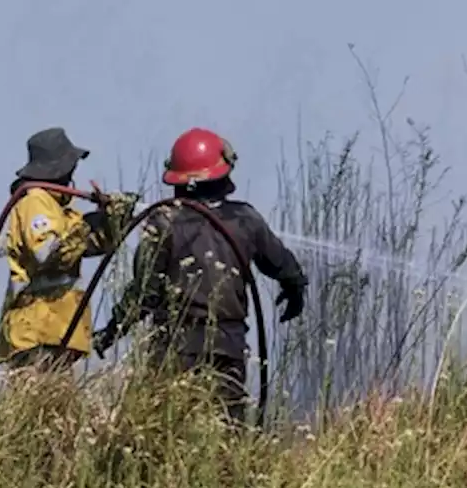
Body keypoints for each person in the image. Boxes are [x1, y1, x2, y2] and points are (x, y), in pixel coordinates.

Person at [93, 127, 307, 426]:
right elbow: (284, 265)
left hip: (174, 349)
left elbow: (144, 295)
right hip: (227, 346)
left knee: (167, 431)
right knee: (226, 430)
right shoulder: (246, 219)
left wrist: (112, 330)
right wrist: (295, 287)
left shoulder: (163, 222)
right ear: (223, 176)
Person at [0, 126, 139, 372]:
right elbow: (50, 254)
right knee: (37, 407)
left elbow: (89, 246)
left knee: (57, 408)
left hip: (57, 329)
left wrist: (113, 220)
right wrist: (85, 227)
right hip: (37, 332)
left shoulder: (59, 206)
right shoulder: (35, 201)